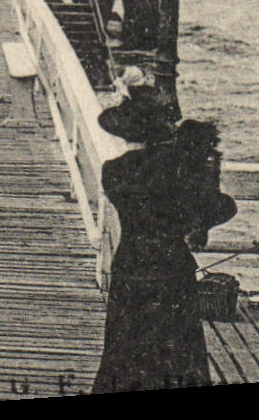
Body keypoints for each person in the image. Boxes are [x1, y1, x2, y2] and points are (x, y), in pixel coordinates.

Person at [92, 88, 236, 395]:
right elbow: (222, 207)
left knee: (124, 348)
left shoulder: (114, 171)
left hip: (132, 262)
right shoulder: (182, 169)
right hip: (172, 263)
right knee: (178, 351)